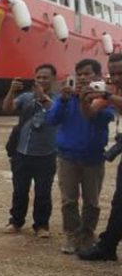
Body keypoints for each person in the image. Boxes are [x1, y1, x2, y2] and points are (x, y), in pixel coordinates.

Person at [46, 58, 114, 254]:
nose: (83, 78)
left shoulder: (103, 99)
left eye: (87, 73)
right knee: (69, 200)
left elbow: (99, 119)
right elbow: (52, 119)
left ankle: (87, 235)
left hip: (93, 158)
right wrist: (63, 99)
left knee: (92, 201)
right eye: (80, 74)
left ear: (98, 77)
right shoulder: (66, 98)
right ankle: (72, 234)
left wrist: (87, 99)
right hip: (67, 156)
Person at [1, 64, 57, 238]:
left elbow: (57, 113)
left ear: (53, 79)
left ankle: (41, 225)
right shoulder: (26, 98)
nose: (41, 80)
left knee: (43, 192)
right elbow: (7, 108)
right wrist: (11, 91)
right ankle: (15, 221)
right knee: (19, 190)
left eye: (45, 77)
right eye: (38, 77)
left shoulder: (60, 100)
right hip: (22, 152)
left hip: (46, 154)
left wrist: (44, 98)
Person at [78, 52, 122, 262]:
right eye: (113, 73)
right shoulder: (112, 89)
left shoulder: (110, 93)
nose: (116, 77)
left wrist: (106, 96)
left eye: (121, 72)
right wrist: (84, 100)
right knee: (119, 202)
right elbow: (91, 113)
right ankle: (107, 246)